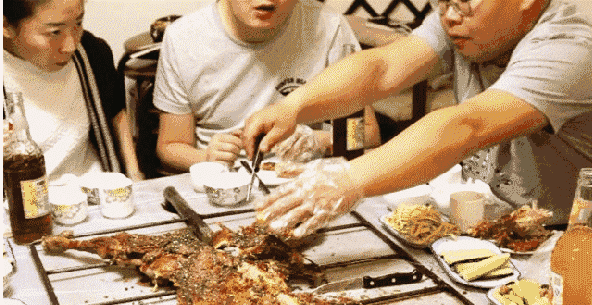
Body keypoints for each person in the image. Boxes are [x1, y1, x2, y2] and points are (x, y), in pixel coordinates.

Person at [243, 0, 592, 237]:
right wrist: (293, 107)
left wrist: (346, 180)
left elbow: (467, 126)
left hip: (570, 238)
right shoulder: (461, 18)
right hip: (499, 218)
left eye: (461, 3)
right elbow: (383, 67)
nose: (449, 15)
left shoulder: (575, 44)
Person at [152, 0, 380, 172]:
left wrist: (321, 141)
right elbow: (170, 146)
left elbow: (368, 134)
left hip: (306, 179)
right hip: (225, 179)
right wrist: (205, 158)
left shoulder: (329, 27)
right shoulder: (183, 38)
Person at [3, 0, 144, 182]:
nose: (71, 46)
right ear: (5, 26)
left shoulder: (91, 52)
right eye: (55, 32)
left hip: (97, 188)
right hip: (28, 196)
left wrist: (135, 176)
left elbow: (116, 113)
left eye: (78, 23)